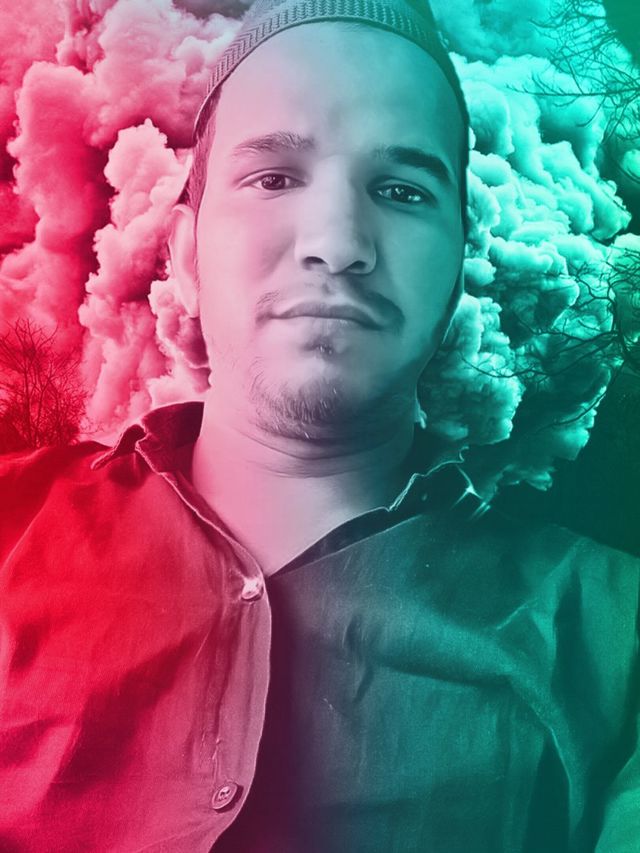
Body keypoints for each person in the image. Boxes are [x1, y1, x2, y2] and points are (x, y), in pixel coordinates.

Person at [0, 0, 638, 850]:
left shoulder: (612, 641)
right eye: (273, 177)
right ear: (184, 256)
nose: (337, 243)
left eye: (402, 191)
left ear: (457, 269)